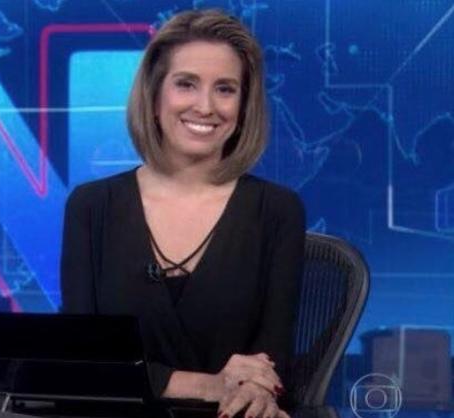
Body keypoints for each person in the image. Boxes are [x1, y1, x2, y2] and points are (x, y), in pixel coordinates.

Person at [60, 9, 305, 418]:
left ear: (244, 107)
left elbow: (271, 364)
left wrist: (257, 390)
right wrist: (208, 385)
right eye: (186, 84)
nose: (205, 106)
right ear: (155, 97)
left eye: (225, 89)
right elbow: (83, 360)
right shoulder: (92, 207)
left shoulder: (277, 211)